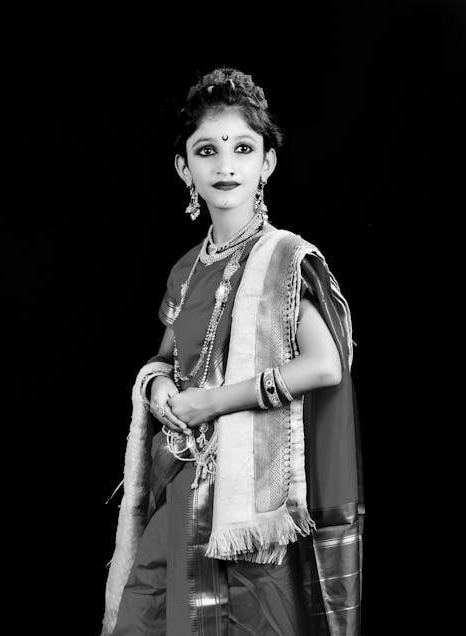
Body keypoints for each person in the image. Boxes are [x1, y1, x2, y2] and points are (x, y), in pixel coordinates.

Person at [102, 67, 364, 636]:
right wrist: (161, 387)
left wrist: (213, 402)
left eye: (243, 148)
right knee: (145, 615)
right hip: (184, 484)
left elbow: (325, 365)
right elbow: (167, 360)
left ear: (266, 163)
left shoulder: (283, 260)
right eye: (207, 150)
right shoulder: (185, 270)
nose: (226, 166)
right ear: (184, 168)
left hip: (250, 499)